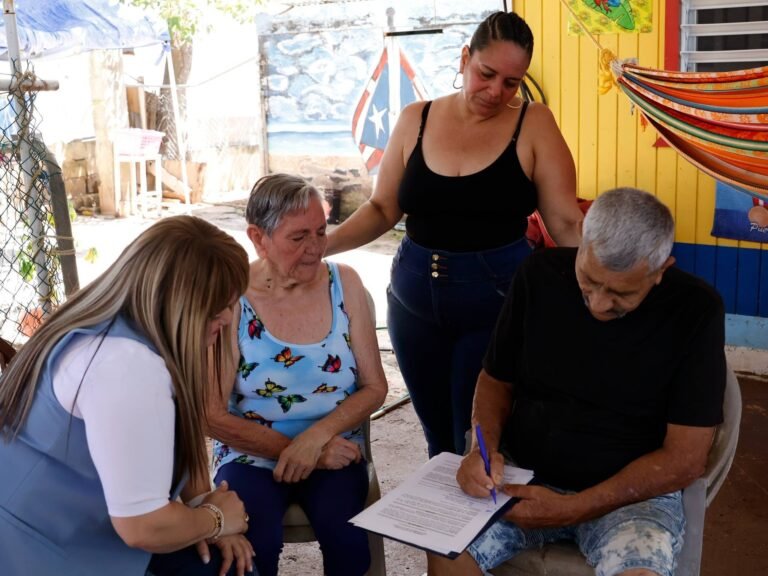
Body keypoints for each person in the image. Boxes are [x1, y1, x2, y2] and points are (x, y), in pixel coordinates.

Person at [326, 11, 584, 457]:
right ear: (465, 58)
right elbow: (384, 207)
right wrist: (322, 246)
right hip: (412, 301)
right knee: (436, 437)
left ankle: (482, 524)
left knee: (477, 437)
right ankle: (440, 525)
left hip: (497, 301)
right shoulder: (415, 118)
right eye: (487, 74)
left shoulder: (534, 122)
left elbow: (564, 224)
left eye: (511, 82)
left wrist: (620, 274)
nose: (496, 91)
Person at [430, 187, 727, 576]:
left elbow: (686, 458)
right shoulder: (537, 276)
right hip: (522, 477)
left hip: (631, 499)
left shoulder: (696, 312)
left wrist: (576, 507)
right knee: (444, 549)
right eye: (589, 280)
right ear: (584, 234)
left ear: (660, 271)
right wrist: (480, 450)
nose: (599, 304)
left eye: (621, 293)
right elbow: (495, 379)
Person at [0, 216, 255, 576]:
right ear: (183, 306)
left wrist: (201, 503)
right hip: (38, 553)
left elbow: (179, 432)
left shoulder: (110, 323)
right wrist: (214, 519)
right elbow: (142, 527)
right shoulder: (127, 366)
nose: (229, 318)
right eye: (219, 308)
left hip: (68, 532)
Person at [206, 174, 388, 576]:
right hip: (251, 453)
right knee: (251, 548)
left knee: (348, 540)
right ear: (258, 237)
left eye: (321, 232)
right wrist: (302, 452)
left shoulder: (346, 284)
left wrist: (316, 440)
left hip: (335, 445)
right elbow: (212, 414)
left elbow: (376, 387)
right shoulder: (232, 298)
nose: (314, 249)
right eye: (298, 237)